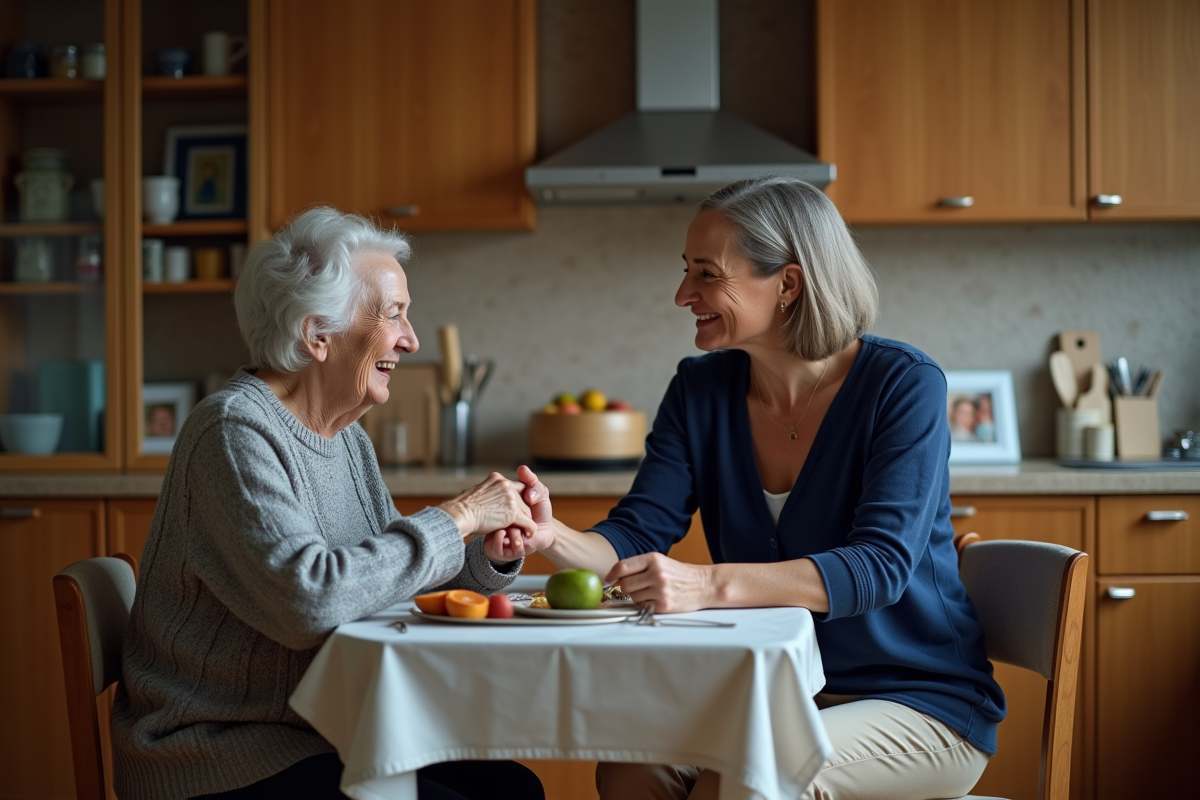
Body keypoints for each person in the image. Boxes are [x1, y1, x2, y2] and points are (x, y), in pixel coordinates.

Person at [514, 177, 1004, 800]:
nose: (682, 294)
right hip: (776, 691)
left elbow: (880, 566)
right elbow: (638, 532)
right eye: (685, 271)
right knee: (631, 765)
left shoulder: (902, 385)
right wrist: (551, 534)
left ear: (788, 285)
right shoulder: (700, 390)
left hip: (919, 700)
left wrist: (706, 584)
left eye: (706, 274)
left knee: (750, 776)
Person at [112, 207, 545, 800]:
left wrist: (485, 557)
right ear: (318, 335)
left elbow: (388, 583)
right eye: (393, 314)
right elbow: (309, 600)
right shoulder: (234, 431)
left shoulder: (345, 441)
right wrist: (459, 516)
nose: (411, 338)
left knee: (514, 789)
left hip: (313, 733)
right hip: (214, 752)